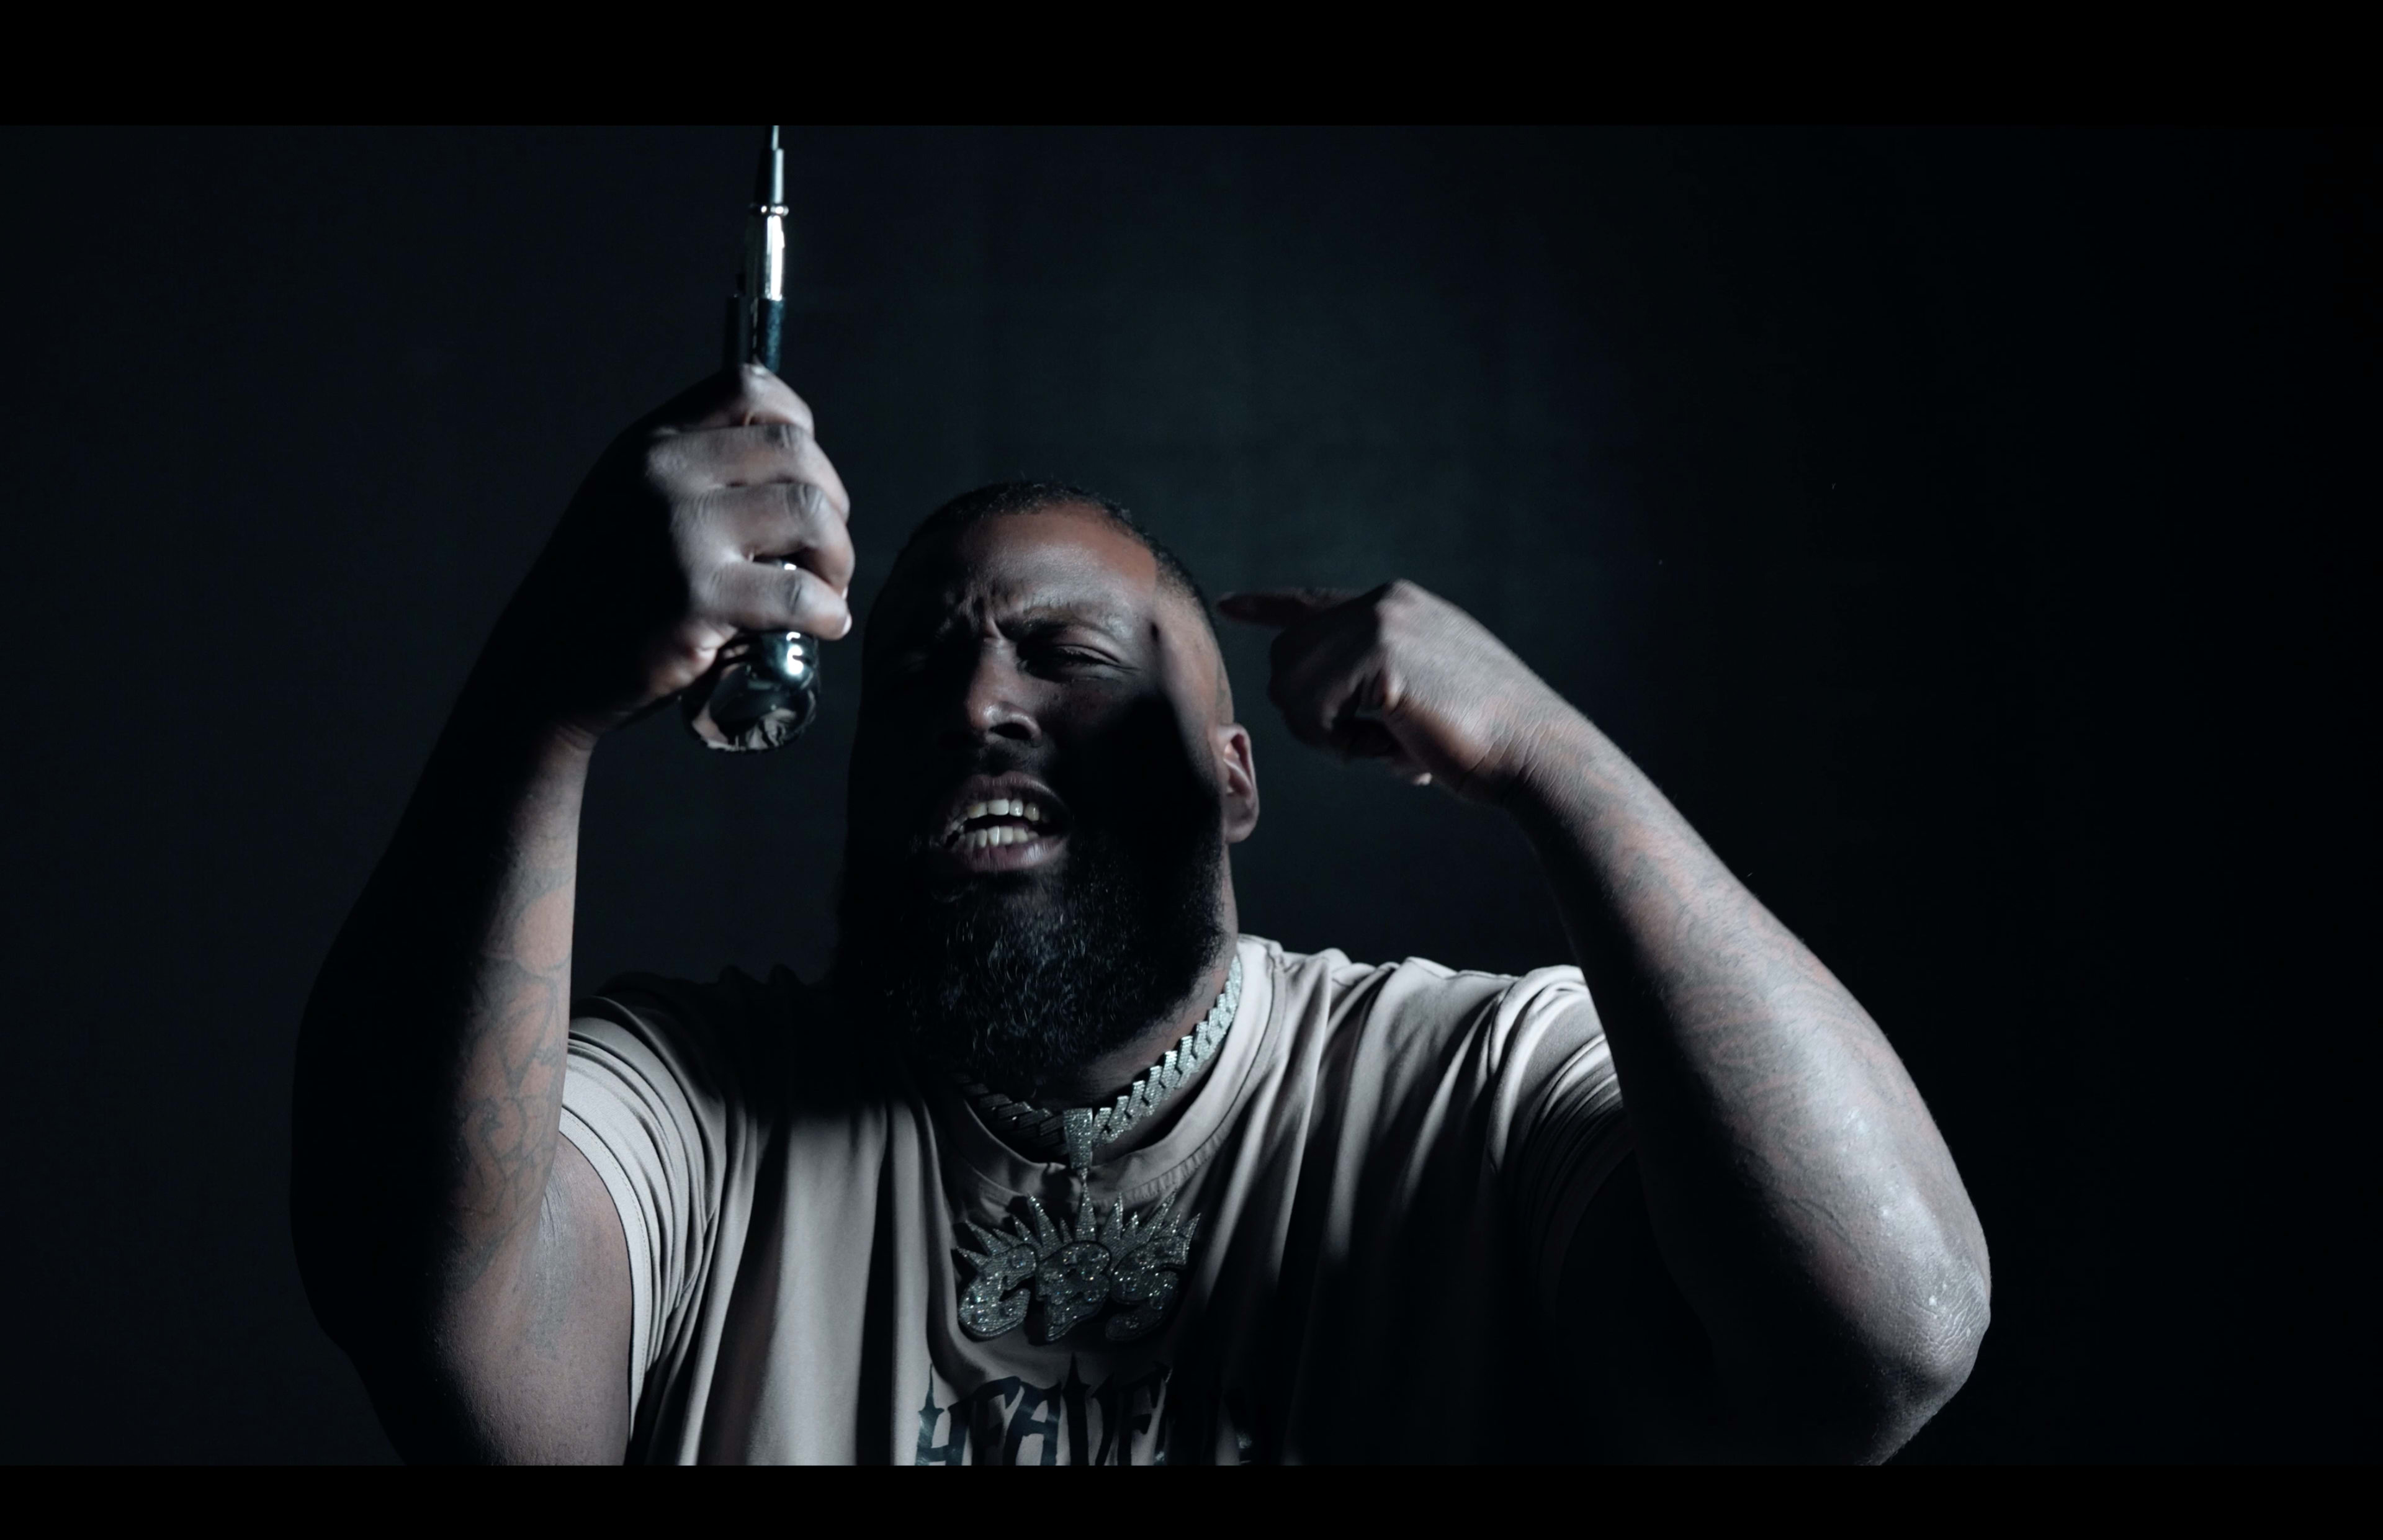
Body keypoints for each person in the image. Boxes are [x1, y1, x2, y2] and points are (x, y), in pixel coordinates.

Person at [291, 367, 1988, 1464]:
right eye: (922, 673)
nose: (977, 706)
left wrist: (1554, 757)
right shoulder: (701, 1106)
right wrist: (547, 693)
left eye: (1072, 656)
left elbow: (1888, 1332)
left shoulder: (1469, 1082)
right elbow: (433, 1316)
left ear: (1234, 777)